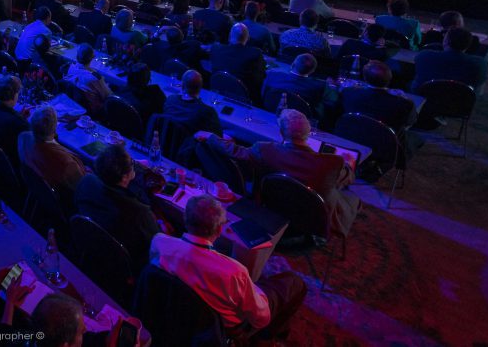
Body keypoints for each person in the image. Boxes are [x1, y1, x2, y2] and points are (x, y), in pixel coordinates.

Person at [149, 195, 307, 338]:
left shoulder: (158, 242)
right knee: (294, 282)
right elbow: (261, 319)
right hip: (220, 330)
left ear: (186, 220)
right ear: (219, 229)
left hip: (177, 313)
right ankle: (269, 337)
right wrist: (256, 291)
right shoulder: (235, 271)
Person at [198, 110, 360, 237]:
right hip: (314, 220)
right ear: (309, 132)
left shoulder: (264, 150)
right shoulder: (332, 163)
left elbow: (235, 151)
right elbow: (347, 179)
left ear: (281, 133)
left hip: (273, 209)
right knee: (352, 198)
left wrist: (211, 137)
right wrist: (350, 164)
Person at [74, 143, 160, 266]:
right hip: (126, 266)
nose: (134, 165)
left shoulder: (86, 181)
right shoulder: (140, 213)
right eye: (132, 162)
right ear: (124, 177)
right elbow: (156, 245)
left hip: (91, 251)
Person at [17, 104, 86, 192]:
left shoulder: (23, 137)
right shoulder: (66, 163)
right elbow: (82, 187)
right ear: (55, 126)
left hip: (37, 187)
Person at [341, 61, 417, 134]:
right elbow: (410, 122)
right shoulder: (404, 104)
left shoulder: (348, 93)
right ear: (390, 79)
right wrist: (402, 97)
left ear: (365, 78)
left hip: (351, 134)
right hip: (384, 140)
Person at [411, 26, 488, 94]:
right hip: (460, 102)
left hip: (423, 98)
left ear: (446, 41)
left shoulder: (424, 56)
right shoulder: (481, 65)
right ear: (468, 45)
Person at [262, 53, 332, 116]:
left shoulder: (271, 74)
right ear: (312, 71)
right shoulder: (320, 86)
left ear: (293, 64)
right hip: (297, 120)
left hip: (266, 113)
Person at [209, 23, 266, 97]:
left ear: (229, 37)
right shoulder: (255, 53)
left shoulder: (216, 49)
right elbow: (260, 78)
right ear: (247, 39)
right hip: (242, 98)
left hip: (216, 93)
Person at [162, 70, 221, 137]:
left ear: (182, 86)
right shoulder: (208, 112)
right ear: (200, 88)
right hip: (189, 143)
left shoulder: (170, 100)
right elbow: (218, 138)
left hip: (166, 140)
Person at [63, 43, 112, 114]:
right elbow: (108, 96)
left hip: (76, 106)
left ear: (77, 56)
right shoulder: (95, 78)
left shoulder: (69, 69)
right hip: (96, 110)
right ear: (92, 57)